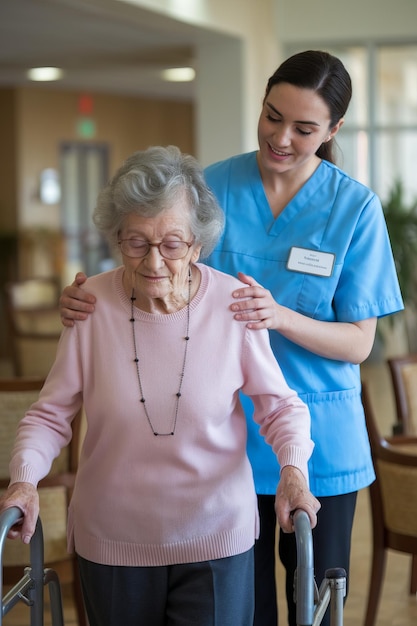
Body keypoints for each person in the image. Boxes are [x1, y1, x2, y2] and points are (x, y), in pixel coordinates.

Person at [59, 51, 404, 626]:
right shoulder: (210, 187)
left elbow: (359, 344)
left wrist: (280, 316)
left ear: (333, 131)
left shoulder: (355, 208)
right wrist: (86, 297)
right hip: (221, 440)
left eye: (304, 128)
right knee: (242, 607)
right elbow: (152, 270)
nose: (282, 138)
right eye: (273, 116)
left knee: (313, 604)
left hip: (318, 442)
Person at [0, 146, 319, 626]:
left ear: (196, 244)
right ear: (116, 239)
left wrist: (293, 470)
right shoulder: (88, 307)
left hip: (215, 536)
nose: (153, 261)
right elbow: (51, 414)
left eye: (171, 244)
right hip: (112, 540)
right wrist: (24, 480)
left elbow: (280, 408)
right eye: (136, 242)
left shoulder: (235, 306)